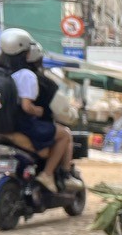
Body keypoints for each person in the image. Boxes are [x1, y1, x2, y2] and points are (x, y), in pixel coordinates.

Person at [0, 29, 78, 193]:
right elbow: (27, 107)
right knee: (64, 134)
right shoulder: (28, 76)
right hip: (23, 127)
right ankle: (48, 175)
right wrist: (39, 112)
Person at [20, 44, 82, 191]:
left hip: (10, 127)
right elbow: (63, 111)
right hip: (33, 129)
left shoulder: (10, 76)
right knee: (65, 134)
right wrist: (73, 115)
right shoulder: (42, 82)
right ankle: (51, 174)